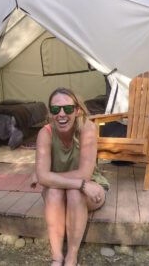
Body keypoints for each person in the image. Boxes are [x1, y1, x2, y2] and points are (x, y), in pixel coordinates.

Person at [31, 87, 110, 266]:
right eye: (55, 109)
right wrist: (79, 184)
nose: (61, 114)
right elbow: (46, 178)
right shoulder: (45, 133)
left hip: (91, 186)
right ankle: (57, 257)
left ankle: (71, 257)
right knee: (54, 192)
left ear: (77, 110)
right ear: (50, 113)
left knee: (73, 193)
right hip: (65, 190)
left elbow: (85, 174)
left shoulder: (87, 128)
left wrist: (46, 175)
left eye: (67, 109)